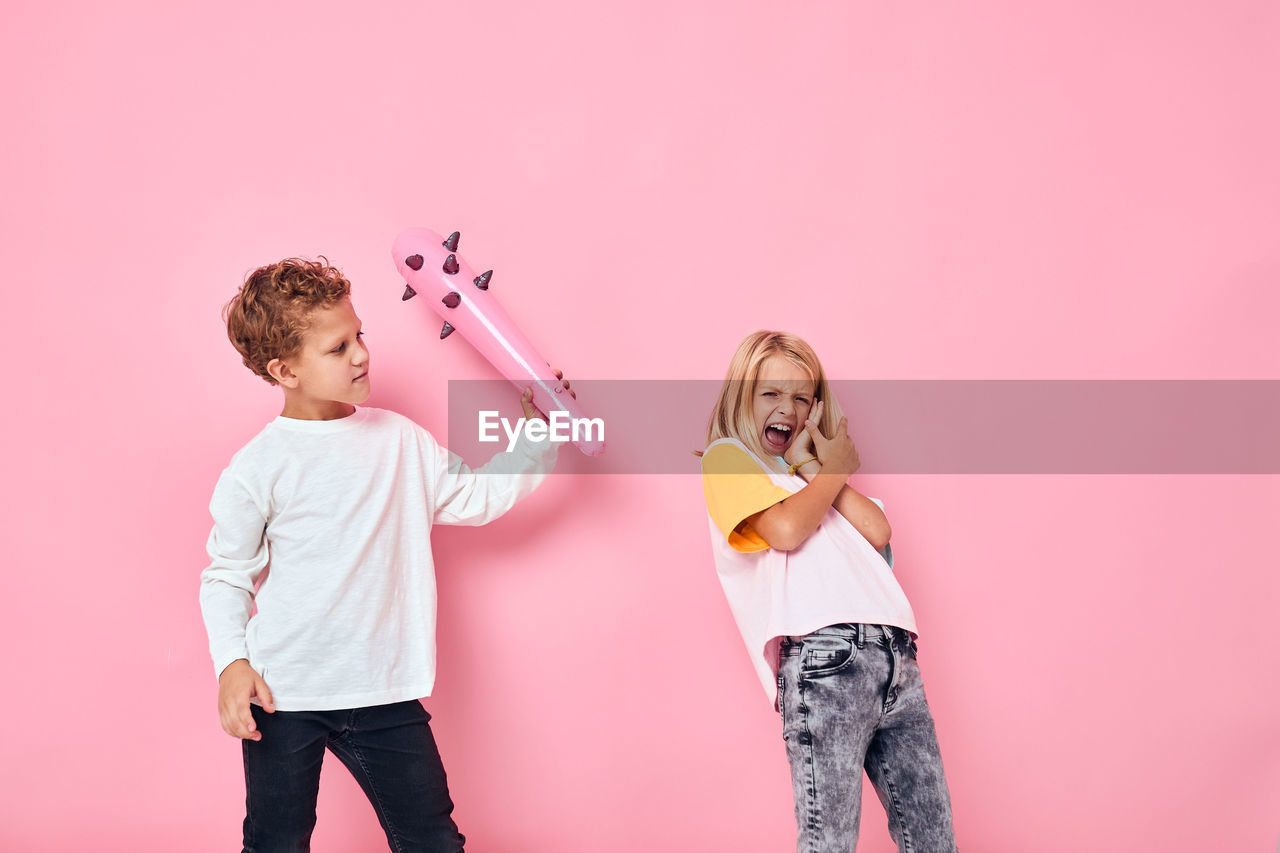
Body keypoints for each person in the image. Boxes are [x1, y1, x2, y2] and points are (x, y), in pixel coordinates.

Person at [200, 257, 569, 852]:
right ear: (284, 369)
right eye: (337, 347)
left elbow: (473, 496)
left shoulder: (400, 441)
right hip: (284, 692)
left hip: (384, 691)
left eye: (360, 335)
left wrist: (538, 433)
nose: (361, 354)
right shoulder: (257, 467)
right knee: (274, 841)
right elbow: (227, 576)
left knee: (432, 839)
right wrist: (230, 664)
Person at [699, 330, 957, 852]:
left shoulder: (809, 482)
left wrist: (815, 465)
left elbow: (877, 530)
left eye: (801, 397)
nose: (787, 408)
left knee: (934, 842)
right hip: (825, 657)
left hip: (896, 657)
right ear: (741, 398)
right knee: (829, 842)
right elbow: (788, 532)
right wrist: (831, 470)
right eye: (770, 393)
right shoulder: (729, 460)